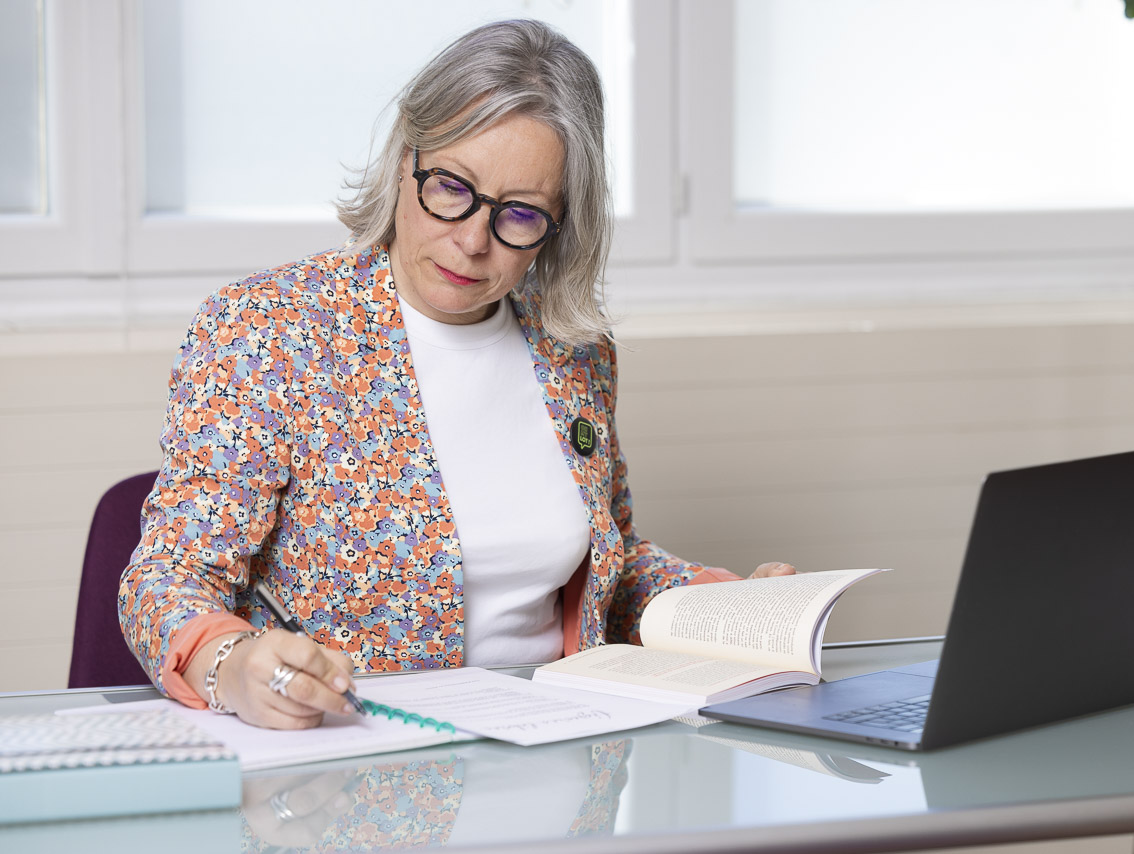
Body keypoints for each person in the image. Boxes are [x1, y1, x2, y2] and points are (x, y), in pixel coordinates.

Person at [118, 19, 794, 731]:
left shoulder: (576, 352)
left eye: (521, 214)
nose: (472, 240)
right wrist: (232, 664)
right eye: (450, 187)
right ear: (405, 161)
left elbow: (608, 577)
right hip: (348, 768)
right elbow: (166, 578)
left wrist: (722, 605)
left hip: (556, 749)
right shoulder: (267, 330)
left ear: (560, 228)